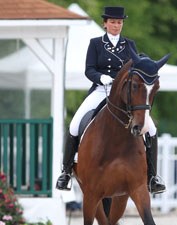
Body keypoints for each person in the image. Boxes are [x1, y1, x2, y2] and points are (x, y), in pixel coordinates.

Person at [56, 6, 165, 194]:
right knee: (74, 125)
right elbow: (89, 69)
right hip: (100, 89)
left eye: (119, 22)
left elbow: (136, 70)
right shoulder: (95, 44)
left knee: (152, 129)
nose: (116, 25)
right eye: (113, 22)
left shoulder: (129, 45)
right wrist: (101, 78)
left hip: (124, 94)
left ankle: (152, 176)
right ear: (105, 24)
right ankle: (65, 172)